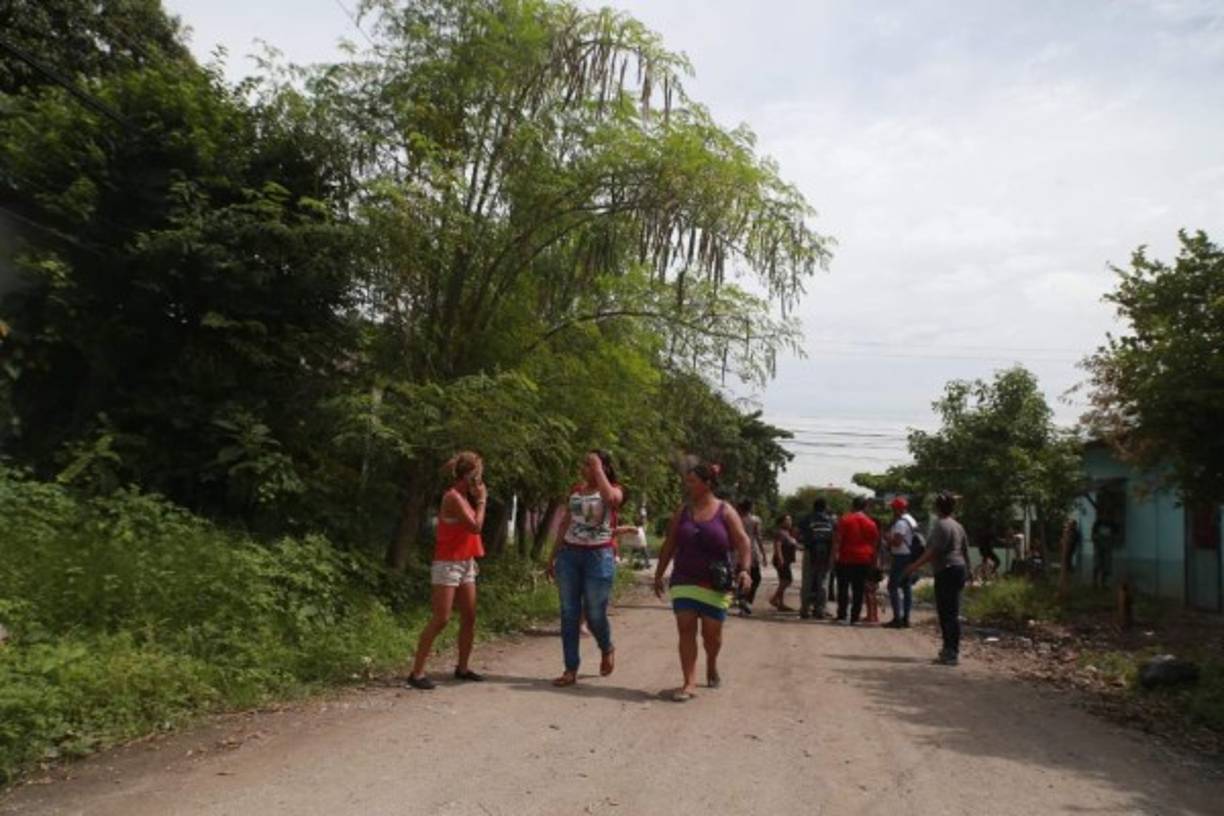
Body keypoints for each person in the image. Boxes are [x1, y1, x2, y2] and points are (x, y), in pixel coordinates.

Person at [653, 462, 752, 702]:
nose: (688, 486)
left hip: (715, 582)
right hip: (684, 578)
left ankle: (712, 663)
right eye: (687, 481)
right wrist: (659, 574)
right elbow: (670, 544)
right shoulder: (683, 511)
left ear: (707, 484)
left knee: (711, 636)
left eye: (692, 481)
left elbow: (743, 542)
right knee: (685, 628)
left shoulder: (725, 511)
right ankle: (689, 682)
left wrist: (745, 570)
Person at [406, 452, 488, 690]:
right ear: (470, 476)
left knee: (470, 616)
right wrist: (482, 500)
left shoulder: (463, 497)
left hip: (465, 562)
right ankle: (417, 672)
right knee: (441, 618)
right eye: (478, 476)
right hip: (447, 563)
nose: (481, 482)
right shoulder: (452, 497)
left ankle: (462, 667)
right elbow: (475, 527)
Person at [546, 450, 624, 687]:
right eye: (586, 464)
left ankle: (606, 646)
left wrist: (599, 468)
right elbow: (565, 523)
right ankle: (570, 668)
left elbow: (611, 499)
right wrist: (553, 555)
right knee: (569, 612)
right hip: (570, 554)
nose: (585, 469)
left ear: (603, 467)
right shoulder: (577, 491)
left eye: (590, 464)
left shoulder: (615, 489)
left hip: (599, 556)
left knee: (594, 613)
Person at [905, 491, 973, 666]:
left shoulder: (940, 525)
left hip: (947, 570)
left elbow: (933, 551)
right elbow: (965, 550)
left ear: (937, 507)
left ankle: (950, 652)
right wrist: (969, 571)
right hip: (958, 569)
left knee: (946, 613)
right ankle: (950, 649)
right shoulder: (958, 526)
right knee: (953, 612)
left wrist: (914, 566)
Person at [831, 496, 880, 625]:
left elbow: (837, 541)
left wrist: (833, 557)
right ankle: (854, 617)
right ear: (865, 507)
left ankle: (842, 615)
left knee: (843, 588)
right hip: (864, 559)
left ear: (853, 506)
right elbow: (875, 546)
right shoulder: (871, 523)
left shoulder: (845, 519)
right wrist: (874, 563)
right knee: (858, 589)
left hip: (845, 558)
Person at [796, 498, 836, 619]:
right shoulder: (831, 520)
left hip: (810, 551)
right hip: (826, 553)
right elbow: (835, 537)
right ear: (825, 507)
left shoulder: (806, 518)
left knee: (807, 580)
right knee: (823, 581)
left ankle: (805, 609)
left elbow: (797, 533)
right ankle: (821, 609)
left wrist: (803, 542)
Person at [885, 496, 919, 628]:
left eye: (893, 507)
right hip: (910, 556)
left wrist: (887, 538)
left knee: (892, 586)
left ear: (898, 508)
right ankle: (906, 618)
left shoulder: (900, 523)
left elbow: (897, 542)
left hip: (901, 557)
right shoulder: (911, 520)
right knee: (906, 587)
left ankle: (897, 619)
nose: (892, 510)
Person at [734, 499, 766, 615]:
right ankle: (746, 601)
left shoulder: (736, 519)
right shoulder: (755, 520)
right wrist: (763, 554)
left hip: (738, 551)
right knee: (755, 578)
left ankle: (742, 601)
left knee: (742, 577)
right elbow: (758, 537)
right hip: (751, 551)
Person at [769, 514, 799, 612]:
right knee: (787, 580)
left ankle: (781, 604)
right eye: (787, 520)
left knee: (783, 581)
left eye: (790, 519)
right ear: (781, 522)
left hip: (786, 561)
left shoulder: (787, 533)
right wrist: (780, 558)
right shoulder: (781, 533)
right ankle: (774, 599)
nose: (790, 521)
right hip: (782, 561)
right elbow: (777, 545)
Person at [1091, 516, 1116, 589]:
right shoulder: (1098, 523)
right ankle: (1094, 582)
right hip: (1098, 547)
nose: (1106, 516)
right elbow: (1093, 535)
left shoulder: (1112, 524)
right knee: (1097, 564)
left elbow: (1115, 534)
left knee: (1107, 565)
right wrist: (1095, 539)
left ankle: (1103, 583)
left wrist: (1111, 539)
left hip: (1107, 547)